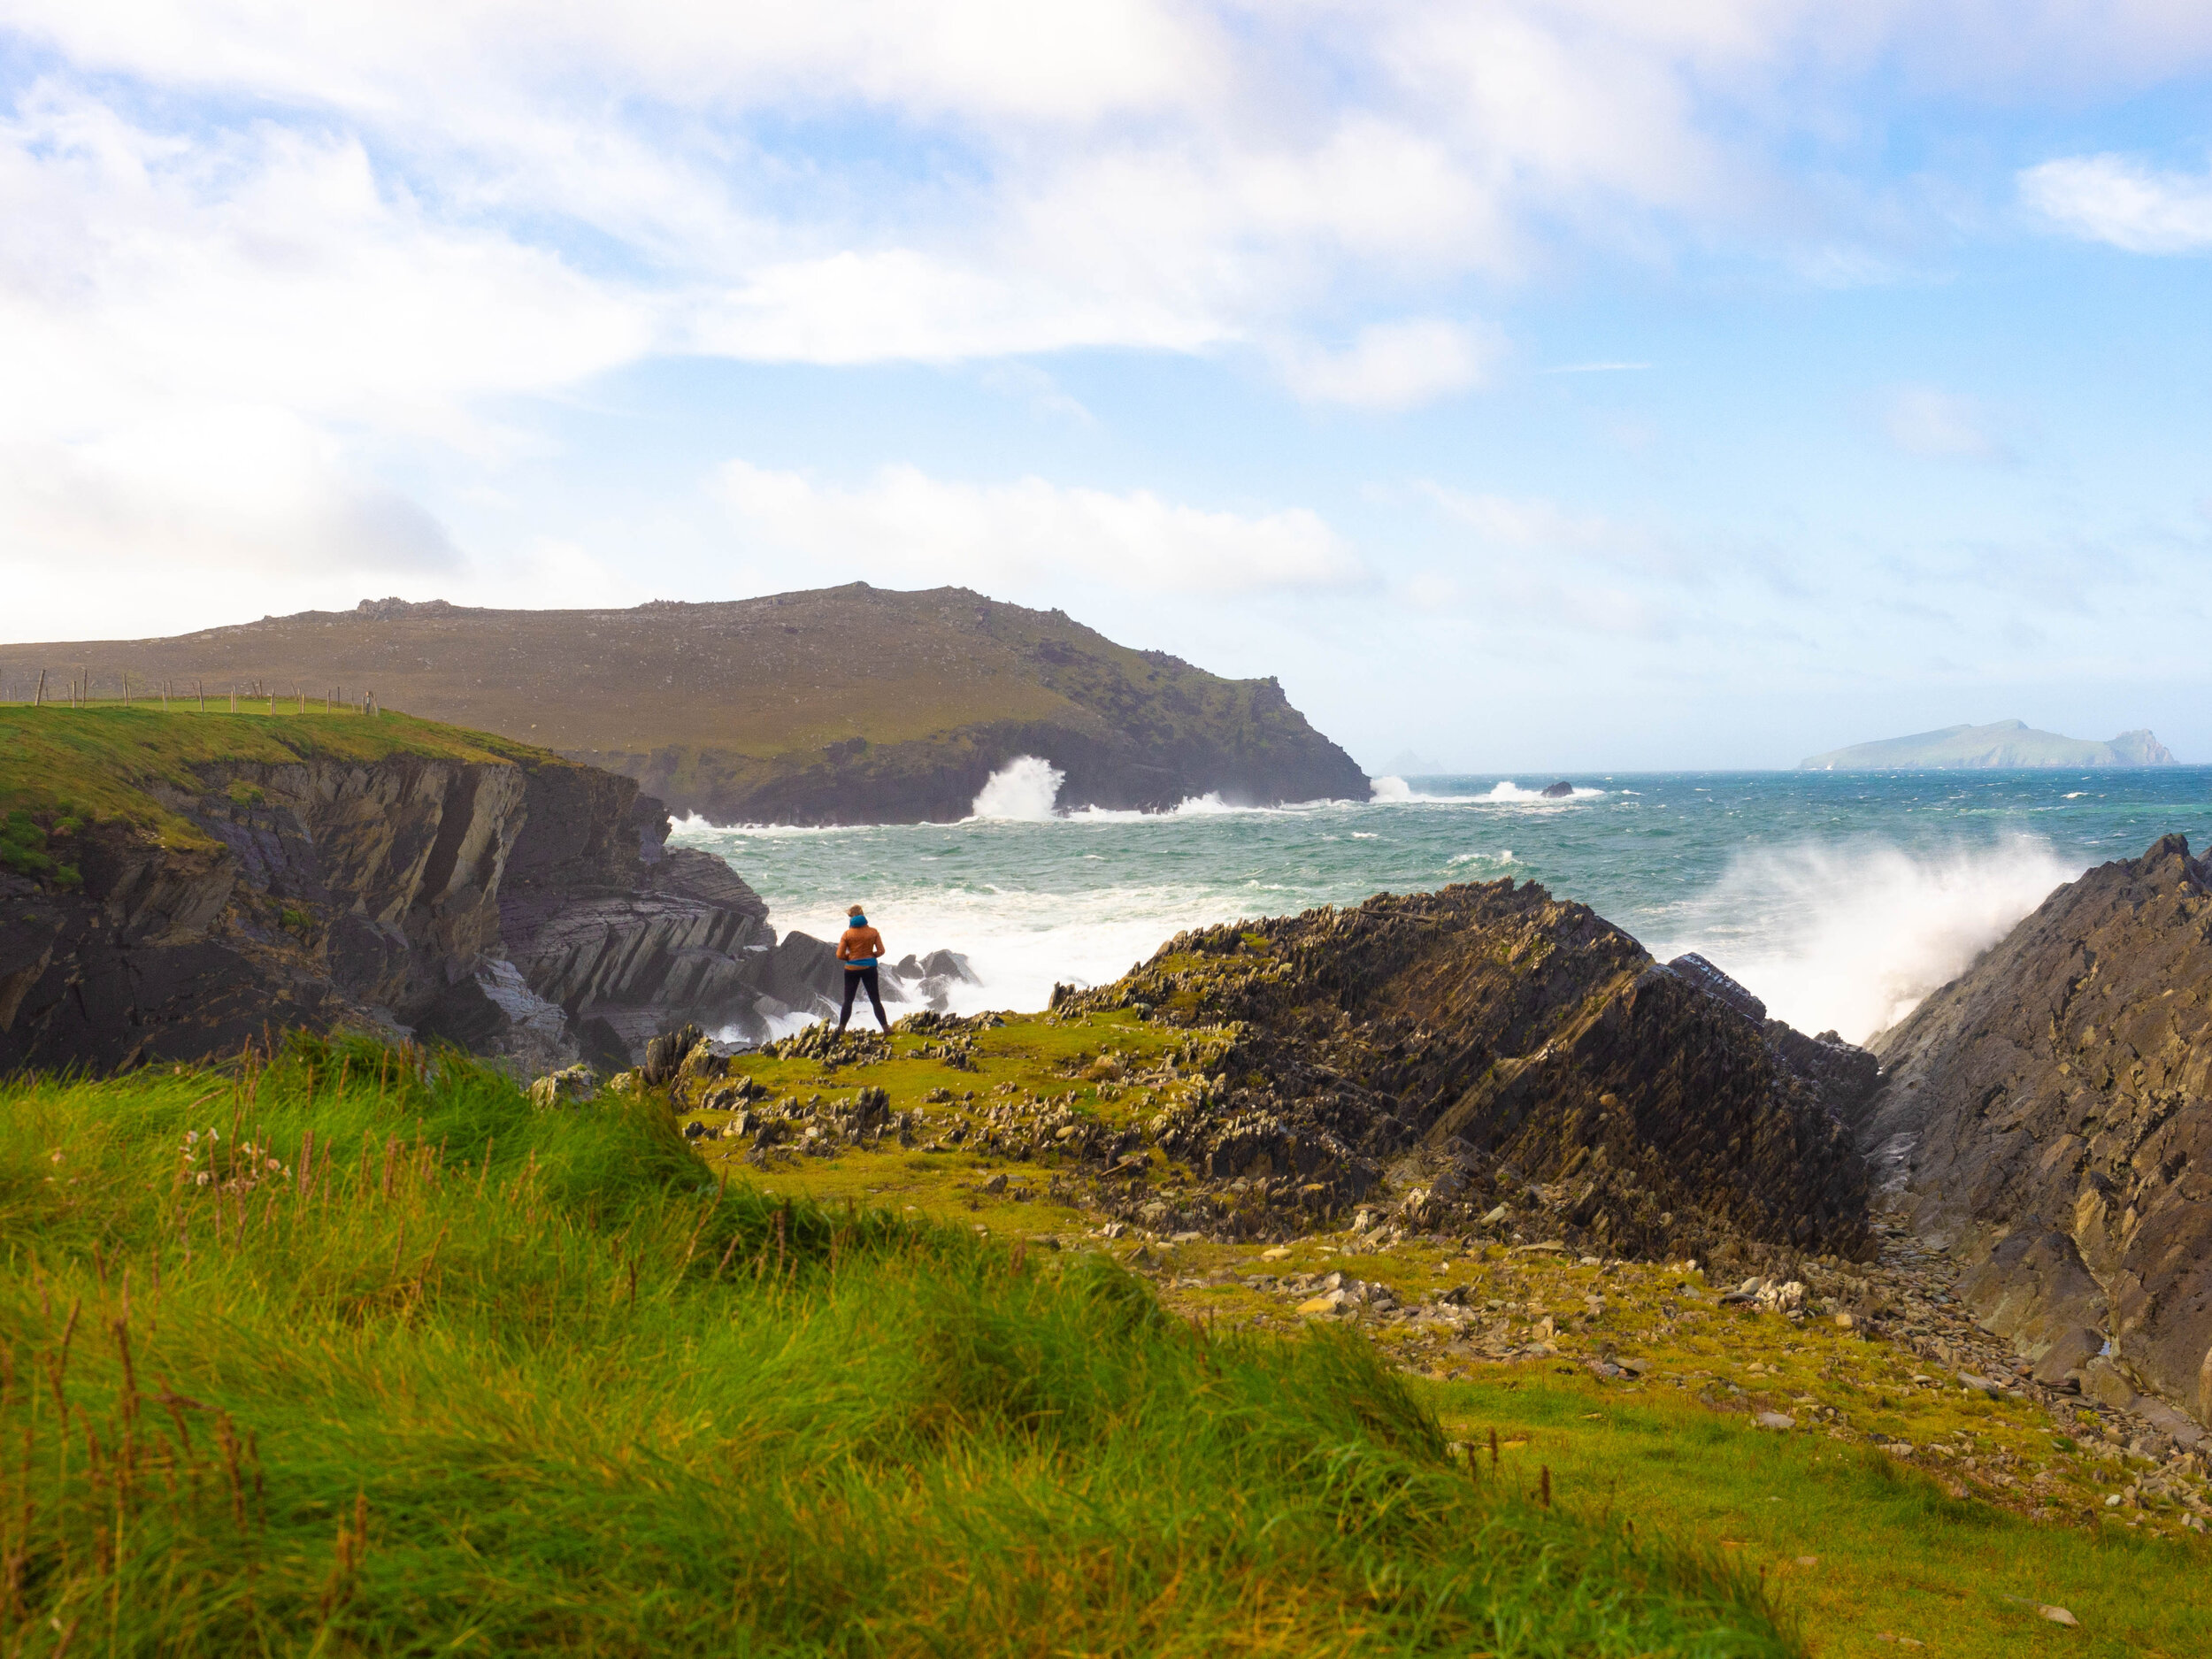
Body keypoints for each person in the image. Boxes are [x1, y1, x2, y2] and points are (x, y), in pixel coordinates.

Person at [836, 903, 890, 1034]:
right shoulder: (873, 932)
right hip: (869, 968)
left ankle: (841, 1029)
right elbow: (881, 951)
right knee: (875, 1000)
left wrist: (850, 957)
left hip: (851, 969)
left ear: (851, 918)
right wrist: (871, 956)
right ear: (863, 915)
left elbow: (839, 955)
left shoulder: (847, 934)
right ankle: (886, 1029)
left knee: (848, 1001)